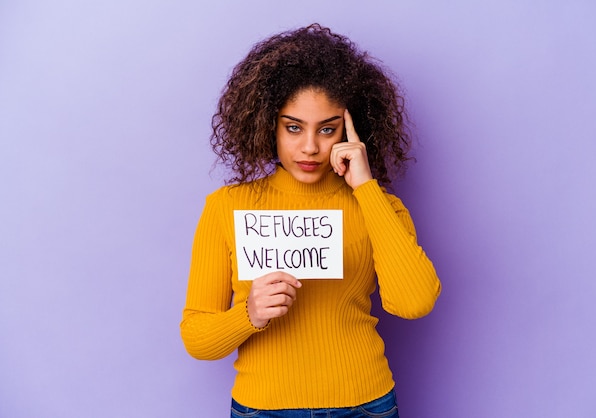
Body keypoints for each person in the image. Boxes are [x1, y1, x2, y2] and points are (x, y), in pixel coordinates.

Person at [180, 23, 441, 417]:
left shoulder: (377, 206)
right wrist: (247, 314)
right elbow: (197, 339)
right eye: (293, 127)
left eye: (328, 129)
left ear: (351, 131)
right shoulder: (227, 208)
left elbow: (415, 302)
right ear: (268, 124)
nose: (310, 147)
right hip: (263, 409)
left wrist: (365, 187)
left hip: (365, 405)